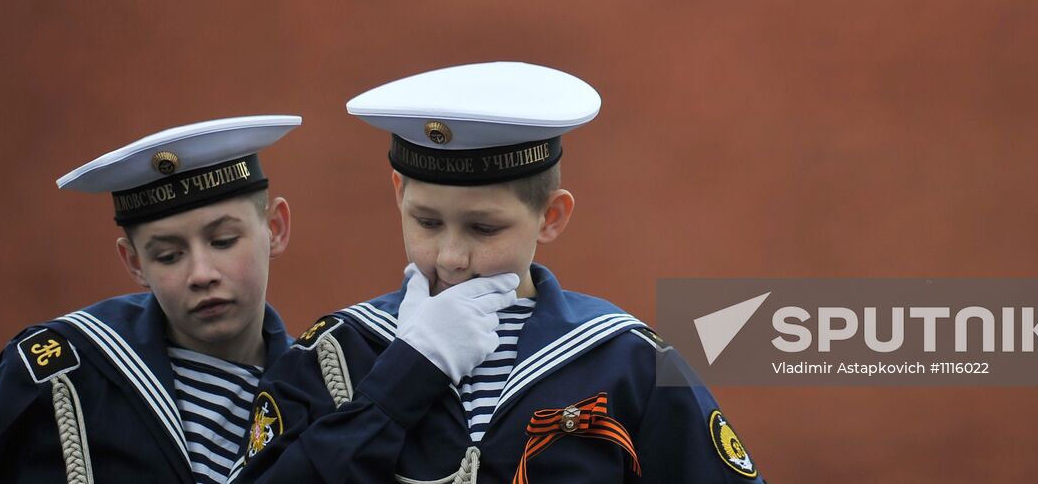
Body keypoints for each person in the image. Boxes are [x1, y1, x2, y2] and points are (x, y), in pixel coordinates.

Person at [236, 63, 763, 483]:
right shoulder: (337, 353)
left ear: (551, 217)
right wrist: (403, 378)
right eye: (427, 222)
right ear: (398, 194)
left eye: (483, 229)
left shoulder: (624, 360)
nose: (451, 257)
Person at [0, 115, 300, 483]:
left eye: (223, 241)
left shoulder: (316, 389)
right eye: (168, 256)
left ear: (275, 228)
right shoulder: (71, 369)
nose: (201, 274)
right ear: (134, 263)